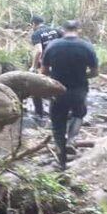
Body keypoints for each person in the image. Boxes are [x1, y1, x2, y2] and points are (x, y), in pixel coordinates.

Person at [41, 20, 99, 170]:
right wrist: (81, 75)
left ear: (63, 29)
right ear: (78, 29)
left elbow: (44, 72)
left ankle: (61, 161)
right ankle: (71, 140)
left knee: (57, 124)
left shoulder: (52, 45)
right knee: (79, 114)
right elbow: (94, 72)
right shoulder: (87, 46)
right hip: (79, 89)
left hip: (57, 90)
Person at [29, 15, 63, 117]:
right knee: (58, 88)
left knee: (35, 87)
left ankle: (39, 114)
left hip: (46, 65)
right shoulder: (56, 30)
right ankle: (58, 113)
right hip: (61, 64)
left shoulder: (36, 34)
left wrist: (33, 67)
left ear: (34, 24)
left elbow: (39, 50)